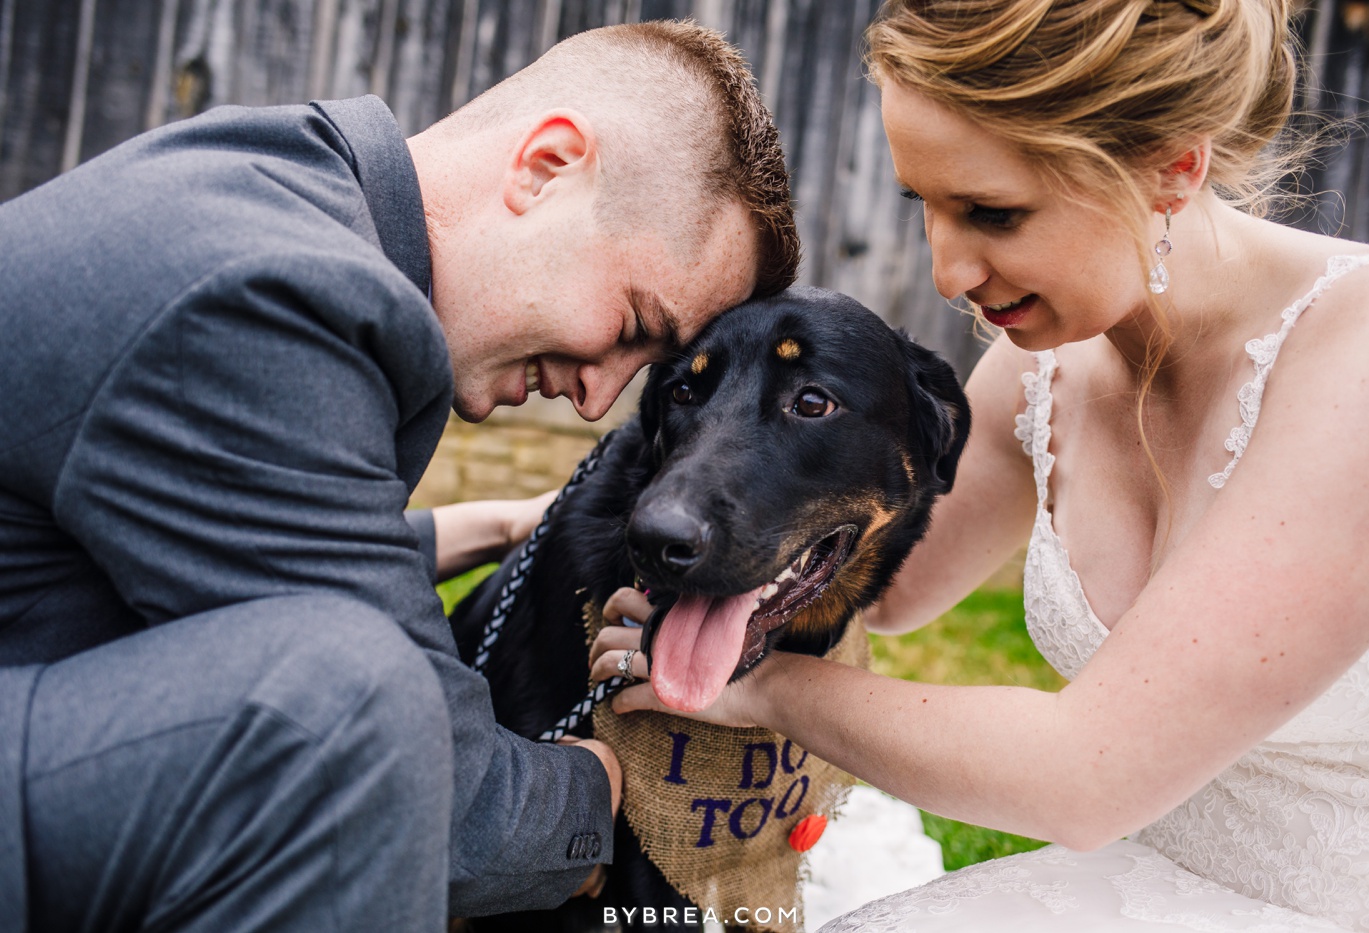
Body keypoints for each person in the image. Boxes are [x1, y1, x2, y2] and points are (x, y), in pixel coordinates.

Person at [589, 0, 1369, 928]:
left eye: (992, 212)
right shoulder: (1040, 368)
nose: (946, 272)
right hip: (1138, 882)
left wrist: (765, 688)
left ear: (1174, 165)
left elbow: (1085, 775)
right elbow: (883, 581)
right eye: (924, 204)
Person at [0, 20, 798, 932]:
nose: (597, 398)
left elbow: (250, 548)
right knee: (354, 714)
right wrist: (606, 785)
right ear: (545, 168)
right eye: (630, 324)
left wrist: (507, 523)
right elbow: (449, 795)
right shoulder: (272, 294)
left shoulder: (284, 190)